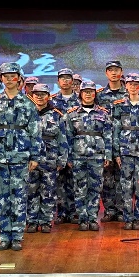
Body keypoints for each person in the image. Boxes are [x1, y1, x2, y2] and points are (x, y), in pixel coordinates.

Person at [0, 63, 42, 251]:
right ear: (1, 79)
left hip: (20, 157)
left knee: (19, 198)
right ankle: (4, 236)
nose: (8, 79)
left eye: (12, 75)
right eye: (5, 75)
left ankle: (17, 236)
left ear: (19, 79)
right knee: (2, 198)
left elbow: (35, 132)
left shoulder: (28, 104)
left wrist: (35, 156)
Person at [65, 80, 113, 230]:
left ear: (94, 94)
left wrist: (108, 155)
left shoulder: (103, 113)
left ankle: (92, 218)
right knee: (80, 188)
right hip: (78, 156)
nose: (88, 94)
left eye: (91, 92)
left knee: (95, 188)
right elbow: (67, 137)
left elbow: (108, 135)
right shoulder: (72, 114)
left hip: (97, 156)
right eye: (85, 92)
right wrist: (68, 157)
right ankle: (82, 219)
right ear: (80, 94)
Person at [112, 72, 139, 230]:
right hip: (125, 152)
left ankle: (137, 218)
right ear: (126, 86)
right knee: (125, 187)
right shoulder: (119, 105)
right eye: (130, 84)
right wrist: (116, 153)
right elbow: (115, 130)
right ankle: (127, 218)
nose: (133, 87)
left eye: (136, 84)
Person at [26, 84, 68, 233]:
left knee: (48, 192)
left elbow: (62, 138)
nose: (39, 97)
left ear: (48, 96)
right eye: (36, 94)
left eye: (42, 94)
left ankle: (46, 221)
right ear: (32, 96)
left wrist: (62, 159)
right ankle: (31, 221)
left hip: (50, 159)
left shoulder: (57, 115)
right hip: (30, 159)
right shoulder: (27, 113)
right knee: (31, 191)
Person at [96, 60, 128, 221]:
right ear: (106, 73)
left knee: (123, 178)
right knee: (107, 178)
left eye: (116, 70)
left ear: (121, 72)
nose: (114, 73)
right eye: (110, 70)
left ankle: (122, 210)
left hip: (125, 141)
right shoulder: (99, 95)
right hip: (105, 141)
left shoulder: (129, 93)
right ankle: (109, 210)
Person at [52, 68, 79, 223]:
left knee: (75, 180)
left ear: (72, 81)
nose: (65, 81)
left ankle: (74, 212)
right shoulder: (52, 101)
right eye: (62, 78)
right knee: (60, 182)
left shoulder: (80, 100)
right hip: (57, 146)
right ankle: (61, 212)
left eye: (68, 78)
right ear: (58, 81)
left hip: (77, 145)